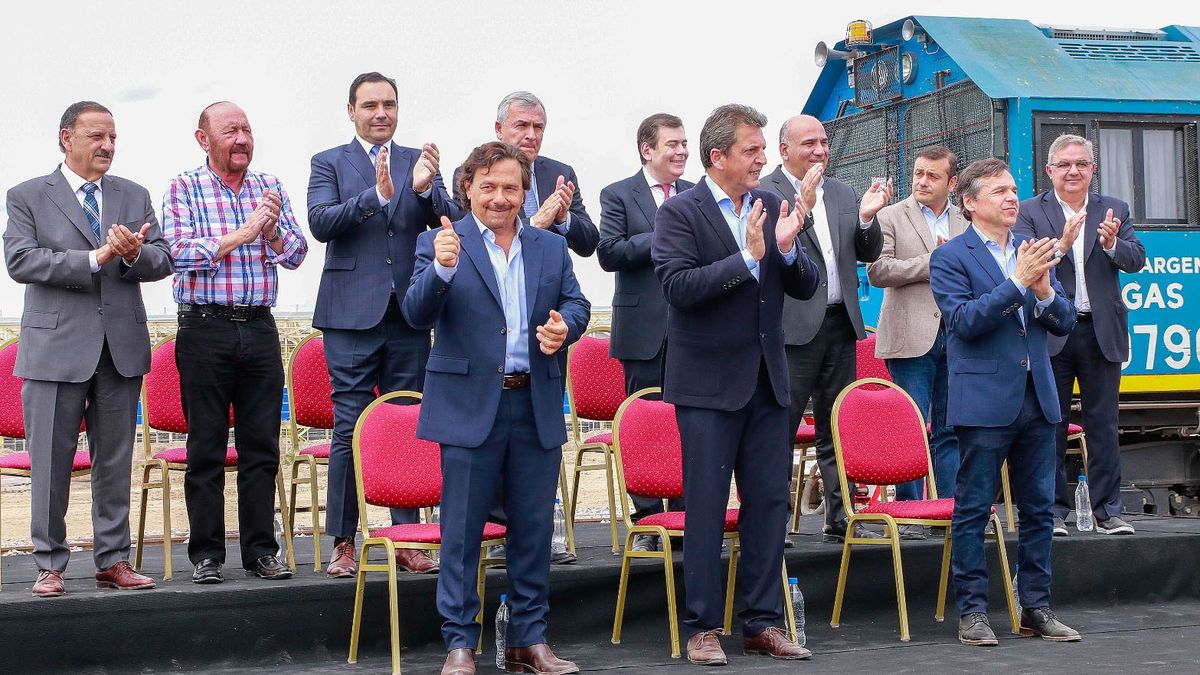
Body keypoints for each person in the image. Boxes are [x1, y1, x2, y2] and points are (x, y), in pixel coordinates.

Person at [404, 141, 590, 675]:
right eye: (488, 187)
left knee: (532, 531)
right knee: (461, 533)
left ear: (526, 192)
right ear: (467, 189)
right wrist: (441, 271)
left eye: (511, 187)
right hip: (468, 408)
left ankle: (529, 640)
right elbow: (415, 314)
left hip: (534, 403)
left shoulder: (550, 247)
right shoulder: (439, 241)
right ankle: (460, 643)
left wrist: (566, 326)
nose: (500, 198)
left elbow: (576, 303)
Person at [651, 104, 818, 665]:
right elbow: (678, 288)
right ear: (717, 156)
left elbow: (805, 285)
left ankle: (761, 622)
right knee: (704, 505)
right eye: (752, 150)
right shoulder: (680, 211)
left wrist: (787, 247)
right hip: (707, 386)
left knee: (768, 503)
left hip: (767, 381)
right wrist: (748, 257)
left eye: (763, 148)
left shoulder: (770, 204)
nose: (762, 159)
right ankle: (702, 626)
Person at [3, 101, 172, 597]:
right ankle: (49, 564)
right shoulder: (27, 196)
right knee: (50, 464)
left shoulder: (133, 194)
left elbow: (162, 259)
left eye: (113, 137)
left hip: (120, 349)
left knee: (115, 463)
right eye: (97, 136)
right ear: (66, 138)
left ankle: (113, 560)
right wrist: (97, 257)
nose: (108, 146)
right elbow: (21, 261)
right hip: (54, 350)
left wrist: (135, 254)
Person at [307, 72, 458, 577]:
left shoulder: (421, 160)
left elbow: (452, 217)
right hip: (350, 314)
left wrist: (427, 189)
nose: (381, 113)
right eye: (370, 105)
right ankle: (343, 541)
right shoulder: (329, 161)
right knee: (349, 425)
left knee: (407, 420)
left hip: (409, 312)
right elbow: (321, 222)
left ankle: (407, 537)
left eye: (389, 104)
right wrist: (375, 195)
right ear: (351, 110)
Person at [930, 158, 1080, 646]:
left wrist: (1043, 292)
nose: (1012, 198)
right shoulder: (951, 256)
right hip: (983, 401)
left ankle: (1035, 606)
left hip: (1038, 398)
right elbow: (964, 323)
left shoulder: (1032, 248)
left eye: (1014, 189)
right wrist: (1016, 284)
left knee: (1039, 509)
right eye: (999, 191)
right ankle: (973, 612)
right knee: (974, 508)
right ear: (970, 202)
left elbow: (1064, 322)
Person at [162, 101, 308, 584]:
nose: (242, 139)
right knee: (205, 444)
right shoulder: (184, 187)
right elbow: (177, 253)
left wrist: (272, 232)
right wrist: (241, 234)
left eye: (246, 129)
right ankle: (206, 554)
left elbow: (297, 254)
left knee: (261, 446)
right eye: (230, 131)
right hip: (205, 327)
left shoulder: (270, 187)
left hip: (260, 327)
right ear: (204, 139)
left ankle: (260, 551)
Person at [758, 114, 886, 543]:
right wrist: (805, 206)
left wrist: (866, 219)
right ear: (784, 151)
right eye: (809, 143)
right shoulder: (767, 193)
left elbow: (867, 252)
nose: (820, 150)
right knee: (780, 427)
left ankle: (841, 515)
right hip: (791, 330)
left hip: (840, 324)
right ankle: (772, 522)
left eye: (824, 142)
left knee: (839, 426)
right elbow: (770, 255)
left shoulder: (844, 191)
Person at [1014, 134, 1145, 537]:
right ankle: (1051, 511)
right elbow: (1026, 263)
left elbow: (1137, 259)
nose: (1073, 171)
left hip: (1100, 331)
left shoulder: (1114, 209)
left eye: (1081, 164)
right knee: (1048, 425)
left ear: (1093, 169)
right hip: (1051, 330)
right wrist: (1064, 244)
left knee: (1103, 424)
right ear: (1049, 170)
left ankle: (1109, 512)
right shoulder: (1029, 211)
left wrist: (1113, 244)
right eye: (1065, 164)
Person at [596, 112, 693, 552]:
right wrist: (664, 233)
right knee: (647, 423)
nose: (681, 151)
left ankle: (686, 513)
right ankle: (649, 519)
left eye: (684, 143)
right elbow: (609, 252)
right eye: (672, 144)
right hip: (643, 331)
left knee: (690, 421)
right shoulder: (619, 194)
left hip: (693, 330)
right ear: (647, 149)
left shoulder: (696, 193)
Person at [868, 146, 967, 539]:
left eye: (932, 176)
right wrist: (933, 262)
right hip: (910, 337)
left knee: (951, 429)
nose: (922, 181)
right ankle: (909, 514)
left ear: (952, 183)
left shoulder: (966, 219)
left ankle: (948, 511)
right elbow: (878, 270)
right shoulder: (890, 215)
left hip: (958, 336)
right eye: (918, 173)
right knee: (910, 428)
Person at [454, 91, 598, 258]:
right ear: (499, 129)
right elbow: (469, 235)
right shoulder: (474, 172)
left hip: (549, 272)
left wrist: (564, 219)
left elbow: (589, 245)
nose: (531, 135)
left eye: (538, 127)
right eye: (521, 125)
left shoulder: (561, 174)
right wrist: (535, 223)